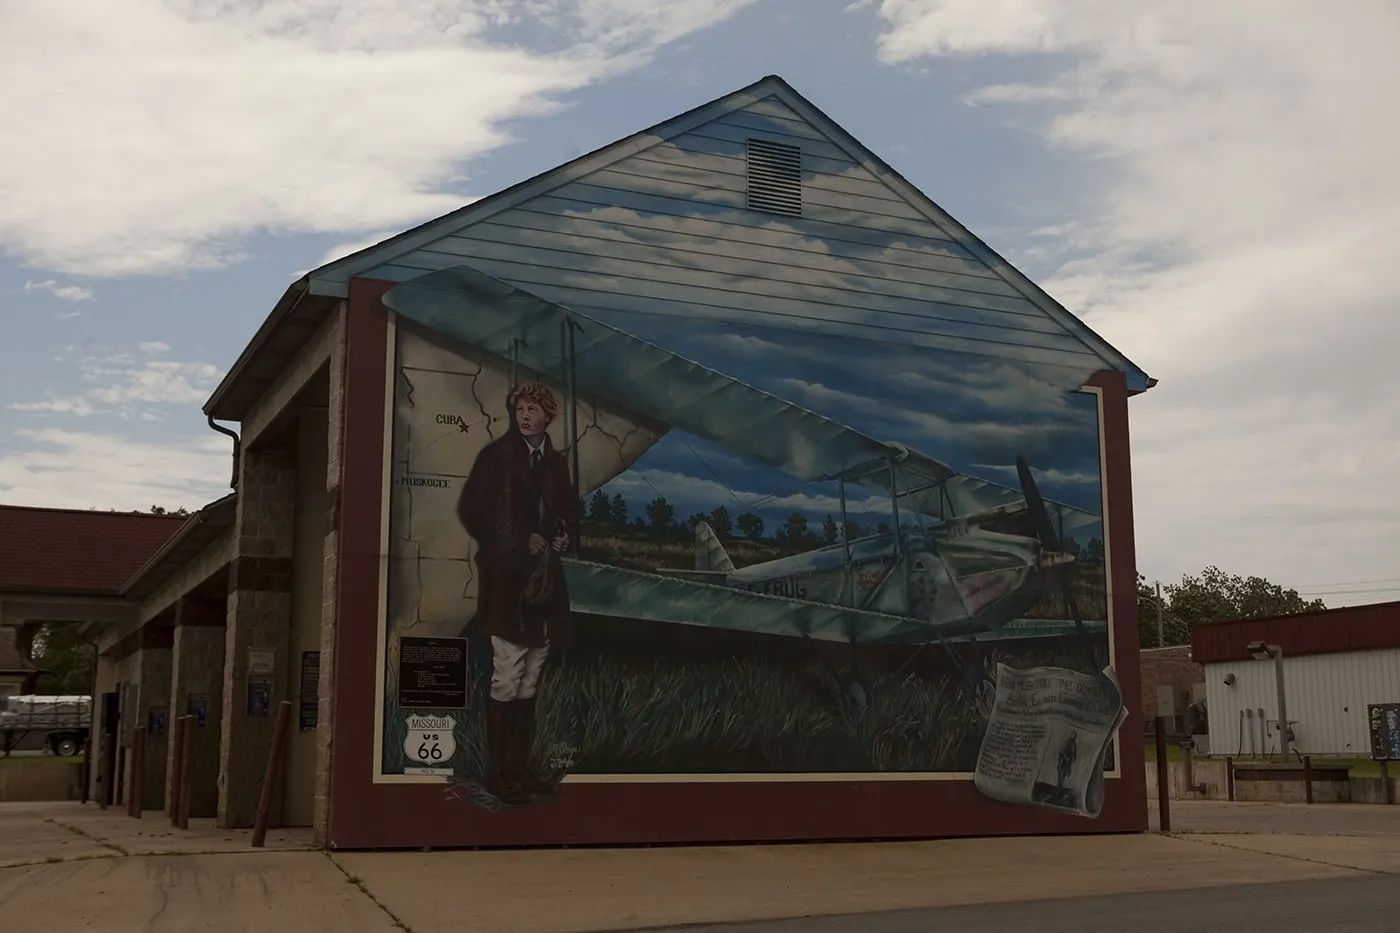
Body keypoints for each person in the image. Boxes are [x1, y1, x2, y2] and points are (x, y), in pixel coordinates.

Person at [457, 382, 578, 804]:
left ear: (548, 415)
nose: (524, 415)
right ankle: (499, 774)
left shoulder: (556, 463)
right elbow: (473, 512)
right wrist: (519, 538)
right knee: (506, 675)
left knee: (531, 678)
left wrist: (564, 537)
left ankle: (519, 771)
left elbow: (568, 512)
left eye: (532, 409)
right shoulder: (496, 458)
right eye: (520, 408)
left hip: (544, 586)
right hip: (508, 584)